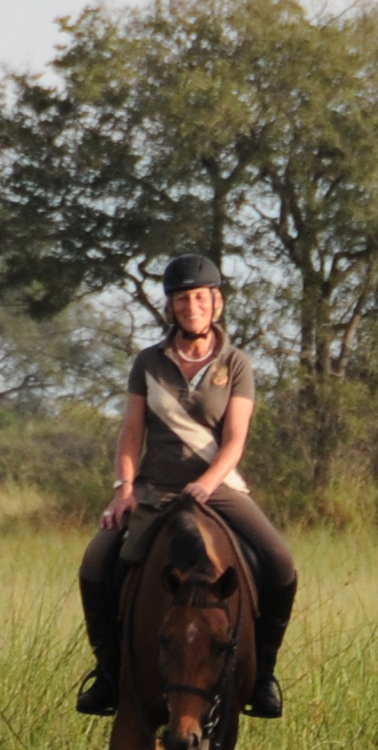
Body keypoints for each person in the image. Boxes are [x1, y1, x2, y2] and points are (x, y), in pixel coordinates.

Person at [76, 253, 299, 721]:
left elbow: (235, 440)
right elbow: (132, 432)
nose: (191, 305)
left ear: (215, 303)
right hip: (154, 489)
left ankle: (263, 676)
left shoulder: (236, 364)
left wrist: (205, 483)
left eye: (200, 297)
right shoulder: (148, 363)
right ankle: (108, 673)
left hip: (216, 487)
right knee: (95, 565)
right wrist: (124, 488)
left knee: (280, 566)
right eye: (182, 298)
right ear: (171, 307)